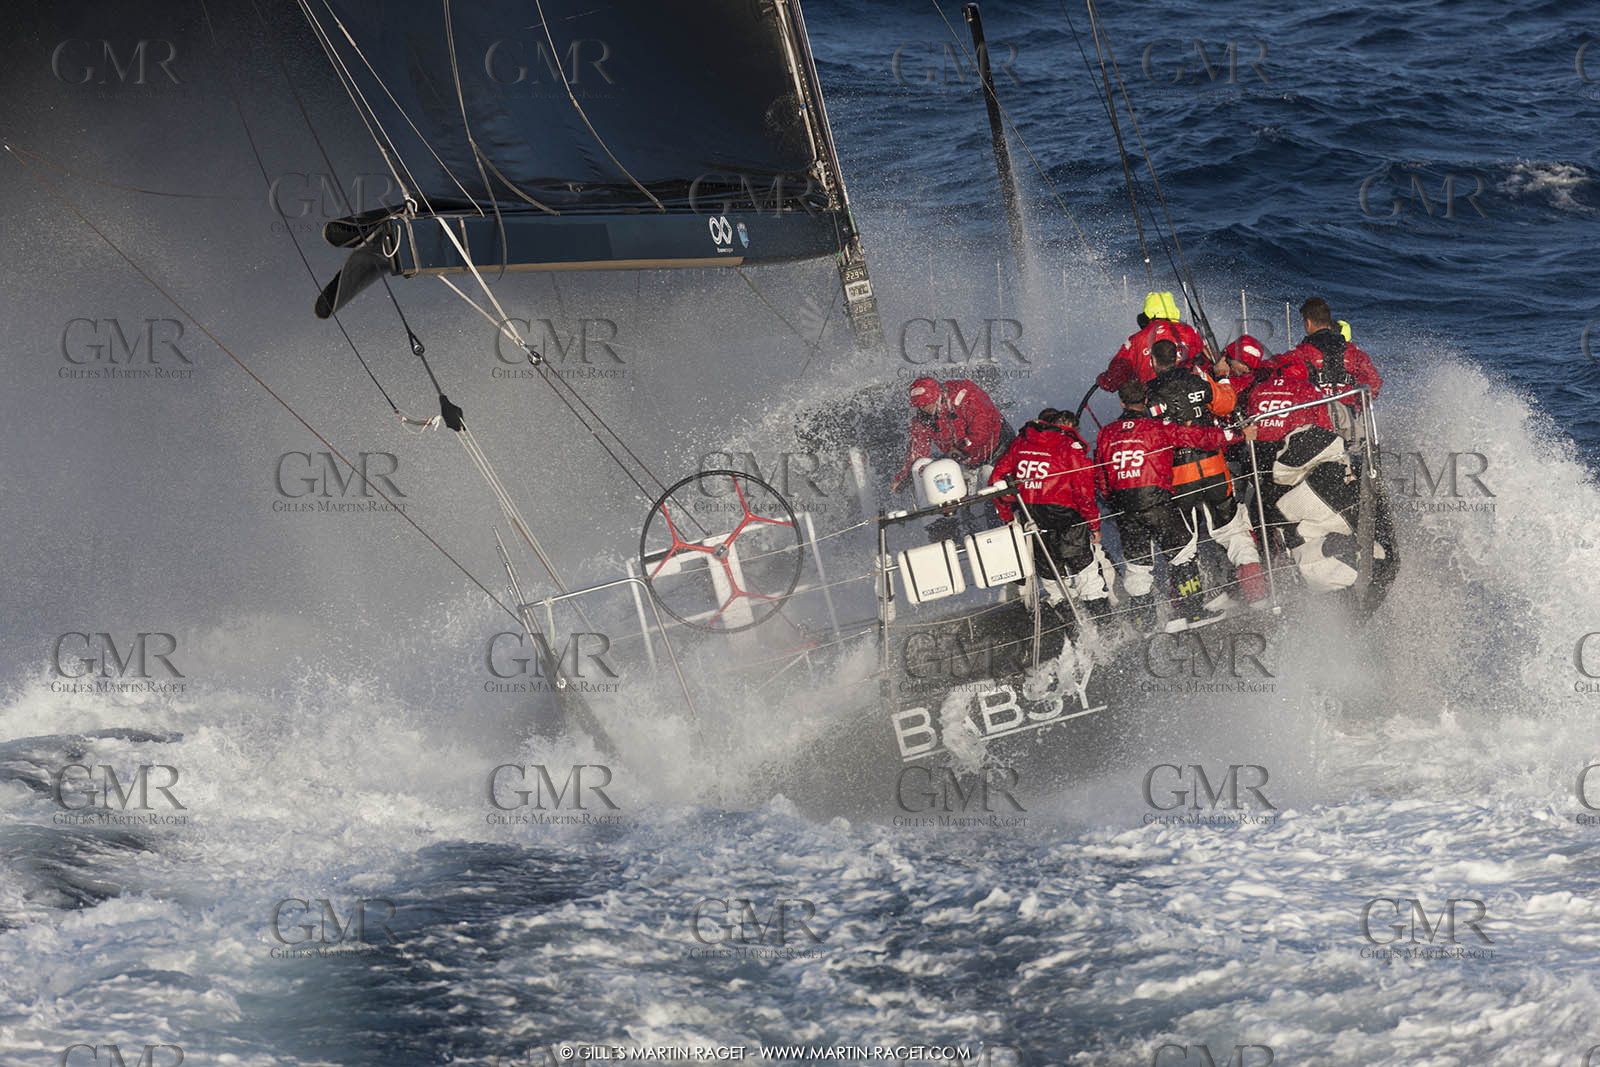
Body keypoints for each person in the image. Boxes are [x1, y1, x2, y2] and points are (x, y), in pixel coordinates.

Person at [1094, 380, 1255, 629]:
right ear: (1146, 402)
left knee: (1137, 566)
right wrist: (1237, 435)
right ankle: (1191, 613)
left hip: (1124, 505)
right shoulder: (1156, 428)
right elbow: (1199, 437)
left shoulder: (1107, 432)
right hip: (1157, 501)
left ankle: (1145, 627)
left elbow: (1102, 475)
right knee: (1183, 552)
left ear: (1122, 402)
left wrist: (1112, 499)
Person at [1144, 340, 1266, 604]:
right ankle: (1259, 598)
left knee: (1183, 545)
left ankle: (1192, 606)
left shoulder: (1150, 394)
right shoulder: (1198, 379)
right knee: (1235, 533)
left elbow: (1150, 434)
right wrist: (1222, 376)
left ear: (1153, 362)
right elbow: (1227, 404)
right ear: (1177, 357)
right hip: (1214, 469)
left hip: (1178, 477)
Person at [988, 408, 1110, 619]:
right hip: (1066, 520)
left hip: (1032, 521)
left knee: (1055, 585)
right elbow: (1084, 492)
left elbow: (996, 482)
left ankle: (1072, 635)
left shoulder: (1021, 442)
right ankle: (1108, 631)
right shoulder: (1068, 446)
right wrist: (1094, 524)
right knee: (1088, 578)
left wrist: (1007, 515)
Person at [1240, 367, 1335, 555]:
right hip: (1292, 462)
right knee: (1294, 512)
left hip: (1260, 462)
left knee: (1261, 512)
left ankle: (1267, 553)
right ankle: (1299, 551)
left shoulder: (1258, 389)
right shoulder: (1308, 390)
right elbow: (1325, 431)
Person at [892, 377, 1013, 492]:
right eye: (920, 406)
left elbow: (983, 426)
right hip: (968, 463)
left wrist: (961, 448)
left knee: (1004, 497)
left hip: (1000, 448)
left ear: (937, 395)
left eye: (927, 403)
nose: (924, 408)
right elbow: (918, 450)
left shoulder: (964, 394)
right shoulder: (922, 420)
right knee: (965, 504)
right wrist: (904, 478)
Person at [1266, 298, 1382, 405]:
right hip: (1350, 419)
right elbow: (1374, 381)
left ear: (1308, 322)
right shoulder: (1353, 352)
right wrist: (1358, 404)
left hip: (1316, 420)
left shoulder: (1302, 352)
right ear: (1328, 321)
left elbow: (1273, 369)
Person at [1096, 291, 1211, 392]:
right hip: (1193, 397)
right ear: (1173, 309)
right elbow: (1205, 362)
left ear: (1147, 314)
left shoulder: (1135, 340)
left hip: (1153, 404)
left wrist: (1103, 380)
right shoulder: (1191, 332)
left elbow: (1115, 377)